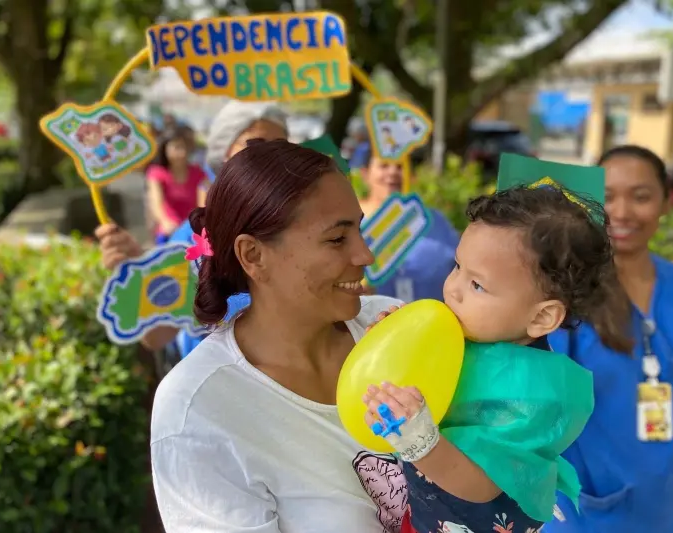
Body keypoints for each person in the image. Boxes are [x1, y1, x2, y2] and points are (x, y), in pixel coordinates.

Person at [150, 139, 407, 532]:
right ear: (253, 256)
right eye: (337, 239)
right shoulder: (199, 410)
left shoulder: (393, 327)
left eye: (359, 230)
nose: (365, 255)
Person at [362, 186, 632, 533]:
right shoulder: (468, 332)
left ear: (541, 318)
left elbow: (481, 484)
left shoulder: (537, 394)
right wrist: (390, 346)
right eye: (457, 266)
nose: (453, 288)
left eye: (477, 285)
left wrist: (417, 439)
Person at [542, 145, 673, 532]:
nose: (622, 212)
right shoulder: (562, 295)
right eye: (607, 197)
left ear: (665, 203)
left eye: (640, 196)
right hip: (589, 515)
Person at [94, 101, 289, 355]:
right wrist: (137, 277)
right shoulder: (192, 238)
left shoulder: (305, 227)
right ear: (224, 156)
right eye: (256, 145)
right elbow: (157, 336)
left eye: (282, 148)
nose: (271, 158)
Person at [354, 146, 459, 302]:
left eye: (400, 166)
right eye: (384, 165)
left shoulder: (432, 220)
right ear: (365, 173)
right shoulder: (350, 223)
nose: (393, 172)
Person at [146, 128, 208, 244]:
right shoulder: (157, 173)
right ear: (165, 149)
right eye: (177, 147)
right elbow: (156, 202)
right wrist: (165, 221)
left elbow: (204, 201)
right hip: (169, 232)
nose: (182, 152)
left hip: (193, 232)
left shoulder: (198, 173)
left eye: (184, 147)